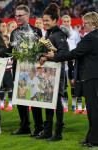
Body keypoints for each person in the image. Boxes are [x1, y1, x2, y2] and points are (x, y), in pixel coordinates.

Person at [47, 11, 98, 147]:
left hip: (91, 76)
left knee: (94, 110)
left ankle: (94, 140)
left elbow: (74, 53)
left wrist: (55, 56)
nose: (83, 26)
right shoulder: (94, 36)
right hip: (93, 76)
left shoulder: (90, 38)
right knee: (93, 109)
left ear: (93, 23)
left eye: (85, 23)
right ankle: (90, 137)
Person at [35, 3, 69, 141]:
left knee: (57, 103)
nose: (44, 23)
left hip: (57, 74)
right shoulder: (48, 33)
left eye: (47, 21)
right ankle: (47, 131)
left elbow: (66, 54)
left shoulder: (59, 34)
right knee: (47, 102)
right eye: (43, 21)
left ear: (55, 20)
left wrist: (50, 56)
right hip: (48, 74)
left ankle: (58, 133)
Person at [9, 5, 44, 137]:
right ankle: (24, 127)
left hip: (33, 71)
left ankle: (39, 127)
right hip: (19, 70)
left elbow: (40, 50)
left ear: (27, 16)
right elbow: (10, 51)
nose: (17, 18)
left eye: (20, 15)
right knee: (21, 101)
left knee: (35, 99)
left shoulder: (37, 31)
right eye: (16, 15)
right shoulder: (14, 33)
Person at [61, 15, 81, 112]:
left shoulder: (75, 33)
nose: (66, 23)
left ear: (70, 22)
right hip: (63, 60)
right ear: (62, 22)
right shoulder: (59, 33)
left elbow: (78, 46)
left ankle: (73, 104)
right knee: (63, 84)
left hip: (72, 60)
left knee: (73, 82)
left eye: (67, 21)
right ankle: (64, 105)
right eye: (64, 21)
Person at [0, 35, 14, 111]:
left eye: (5, 40)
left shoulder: (11, 50)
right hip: (1, 72)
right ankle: (1, 104)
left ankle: (10, 104)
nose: (3, 41)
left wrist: (5, 63)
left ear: (8, 41)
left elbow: (12, 62)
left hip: (9, 72)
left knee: (9, 88)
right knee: (2, 88)